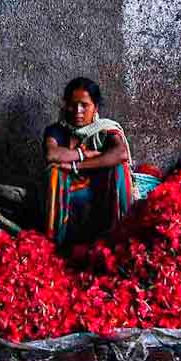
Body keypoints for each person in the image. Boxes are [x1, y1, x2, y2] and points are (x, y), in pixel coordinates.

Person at [43, 77, 136, 246]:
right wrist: (84, 152)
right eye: (73, 104)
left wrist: (76, 165)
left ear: (95, 108)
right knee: (55, 172)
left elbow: (121, 152)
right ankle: (55, 242)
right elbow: (52, 154)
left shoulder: (104, 128)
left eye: (84, 105)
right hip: (70, 186)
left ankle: (122, 239)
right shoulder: (57, 129)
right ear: (66, 105)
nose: (77, 111)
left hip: (100, 184)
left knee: (120, 168)